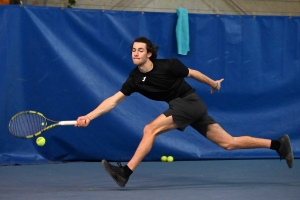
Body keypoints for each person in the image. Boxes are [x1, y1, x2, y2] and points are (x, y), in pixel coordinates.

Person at [75, 37, 294, 188]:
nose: (135, 53)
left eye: (140, 50)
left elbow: (193, 73)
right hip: (187, 107)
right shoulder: (134, 78)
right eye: (133, 50)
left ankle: (125, 174)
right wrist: (89, 116)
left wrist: (213, 84)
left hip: (189, 102)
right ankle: (278, 144)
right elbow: (113, 101)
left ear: (149, 54)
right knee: (229, 143)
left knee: (149, 129)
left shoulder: (169, 65)